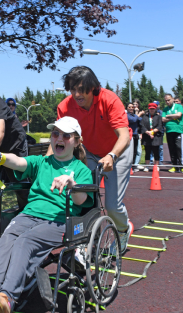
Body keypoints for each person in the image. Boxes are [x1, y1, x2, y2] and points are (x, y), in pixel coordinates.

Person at [0, 117, 94, 313]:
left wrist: (71, 184)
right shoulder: (42, 162)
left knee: (24, 242)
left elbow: (82, 200)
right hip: (29, 215)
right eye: (55, 133)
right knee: (6, 239)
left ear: (77, 141)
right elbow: (18, 162)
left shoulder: (80, 169)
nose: (59, 138)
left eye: (66, 135)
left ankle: (7, 300)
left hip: (59, 220)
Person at [56, 66, 133, 250]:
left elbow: (123, 135)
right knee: (83, 197)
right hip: (90, 152)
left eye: (81, 89)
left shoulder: (109, 100)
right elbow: (59, 138)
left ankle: (123, 229)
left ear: (93, 87)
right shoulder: (65, 107)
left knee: (112, 206)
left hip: (118, 151)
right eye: (73, 89)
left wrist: (112, 155)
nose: (77, 94)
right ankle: (88, 238)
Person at [162, 94, 183, 173]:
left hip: (178, 130)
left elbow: (179, 115)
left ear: (172, 99)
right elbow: (163, 119)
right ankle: (174, 166)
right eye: (166, 101)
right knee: (171, 149)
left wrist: (168, 116)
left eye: (169, 100)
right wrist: (173, 117)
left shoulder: (179, 106)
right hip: (169, 131)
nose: (167, 102)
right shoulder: (165, 109)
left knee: (179, 148)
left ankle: (182, 166)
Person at [141, 103, 164, 169]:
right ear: (148, 109)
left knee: (156, 152)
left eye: (153, 109)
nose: (152, 110)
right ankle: (147, 166)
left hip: (156, 137)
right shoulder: (144, 117)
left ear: (155, 109)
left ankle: (156, 166)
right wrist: (147, 132)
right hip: (147, 136)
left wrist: (153, 132)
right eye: (150, 109)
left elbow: (160, 126)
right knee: (147, 152)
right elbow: (142, 126)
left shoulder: (158, 117)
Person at [127, 103, 142, 168]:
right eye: (129, 107)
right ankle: (129, 165)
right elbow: (134, 120)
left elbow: (140, 120)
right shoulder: (126, 115)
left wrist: (137, 115)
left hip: (136, 134)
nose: (131, 108)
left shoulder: (134, 115)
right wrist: (138, 114)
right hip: (130, 135)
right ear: (127, 108)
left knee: (135, 151)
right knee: (130, 151)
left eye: (132, 107)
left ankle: (133, 165)